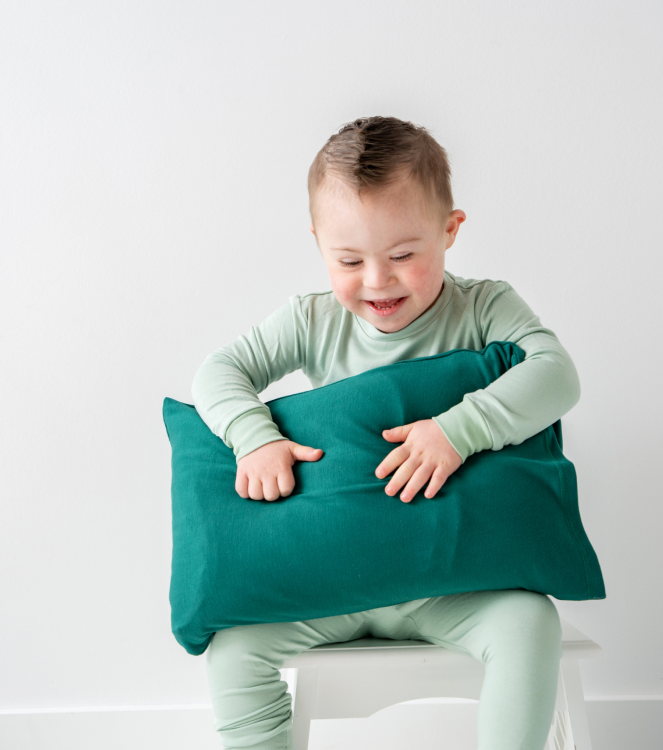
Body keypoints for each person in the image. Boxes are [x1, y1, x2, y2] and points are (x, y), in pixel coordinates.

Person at [191, 115, 581, 750]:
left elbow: (557, 374)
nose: (377, 280)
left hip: (453, 585)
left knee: (532, 621)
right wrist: (252, 436)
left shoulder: (484, 307)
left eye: (403, 254)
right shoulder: (312, 320)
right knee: (233, 646)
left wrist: (459, 431)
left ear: (450, 231)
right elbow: (218, 370)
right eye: (348, 259)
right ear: (318, 242)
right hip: (332, 585)